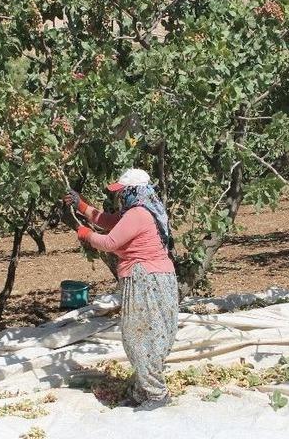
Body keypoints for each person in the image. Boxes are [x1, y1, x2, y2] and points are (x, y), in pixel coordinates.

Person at [64, 169, 178, 410]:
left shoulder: (138, 214)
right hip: (153, 277)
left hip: (147, 280)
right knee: (146, 335)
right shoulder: (143, 209)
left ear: (133, 191)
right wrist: (81, 205)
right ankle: (144, 389)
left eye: (122, 191)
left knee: (138, 337)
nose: (119, 196)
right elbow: (110, 220)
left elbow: (110, 242)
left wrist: (84, 233)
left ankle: (157, 394)